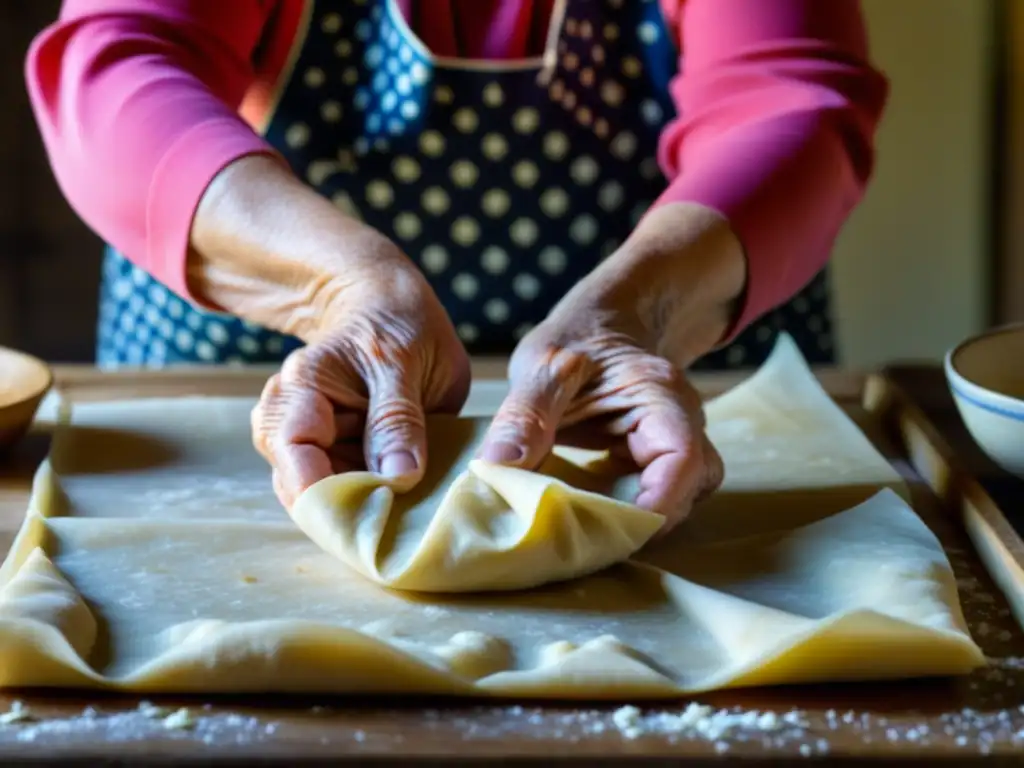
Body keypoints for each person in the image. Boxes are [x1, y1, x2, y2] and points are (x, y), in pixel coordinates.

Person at [26, 0, 888, 531]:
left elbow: (788, 101)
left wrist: (639, 313)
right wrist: (342, 288)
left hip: (662, 380)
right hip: (247, 373)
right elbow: (118, 69)